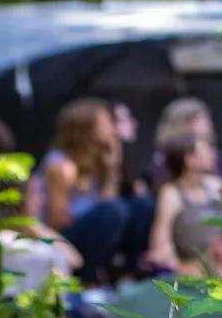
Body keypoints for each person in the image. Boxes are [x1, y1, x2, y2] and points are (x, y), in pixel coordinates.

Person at [27, 98, 154, 289]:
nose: (113, 129)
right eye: (106, 123)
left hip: (91, 234)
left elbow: (107, 205)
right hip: (61, 238)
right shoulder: (60, 166)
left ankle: (128, 274)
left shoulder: (96, 161)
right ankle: (87, 279)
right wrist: (94, 219)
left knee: (141, 206)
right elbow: (56, 222)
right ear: (86, 129)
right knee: (113, 212)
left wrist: (112, 169)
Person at [146, 134, 222, 270]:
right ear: (189, 159)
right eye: (205, 150)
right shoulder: (171, 193)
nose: (212, 154)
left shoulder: (217, 186)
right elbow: (160, 243)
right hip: (191, 267)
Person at [149, 98, 221, 188]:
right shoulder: (162, 157)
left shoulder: (212, 154)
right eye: (199, 118)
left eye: (207, 119)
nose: (207, 123)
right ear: (181, 123)